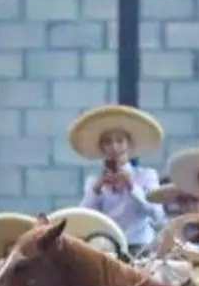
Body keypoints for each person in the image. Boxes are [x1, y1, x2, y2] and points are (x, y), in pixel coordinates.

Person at [71, 104, 169, 250]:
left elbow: (157, 215)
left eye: (119, 141)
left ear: (129, 144)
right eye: (108, 142)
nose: (114, 147)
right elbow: (85, 217)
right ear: (102, 148)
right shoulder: (94, 182)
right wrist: (97, 189)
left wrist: (132, 187)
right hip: (108, 246)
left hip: (140, 245)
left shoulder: (146, 175)